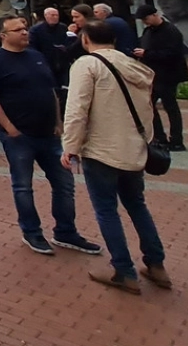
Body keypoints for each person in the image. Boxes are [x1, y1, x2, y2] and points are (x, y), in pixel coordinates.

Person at [63, 20, 170, 295]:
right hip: (133, 148)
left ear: (85, 39)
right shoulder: (134, 65)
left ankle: (124, 271)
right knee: (137, 205)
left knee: (106, 210)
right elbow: (148, 110)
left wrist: (70, 146)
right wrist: (143, 140)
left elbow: (77, 109)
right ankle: (156, 264)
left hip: (101, 150)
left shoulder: (87, 65)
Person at [0, 16, 100, 258]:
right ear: (3, 35)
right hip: (19, 136)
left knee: (64, 184)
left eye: (25, 28)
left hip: (49, 133)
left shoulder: (36, 56)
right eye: (18, 30)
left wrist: (58, 122)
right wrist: (9, 127)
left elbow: (50, 91)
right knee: (23, 186)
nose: (25, 32)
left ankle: (66, 231)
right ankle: (31, 231)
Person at [133, 5, 188, 151]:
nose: (145, 22)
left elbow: (172, 54)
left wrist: (147, 54)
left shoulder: (170, 31)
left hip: (168, 75)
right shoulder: (149, 31)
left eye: (146, 18)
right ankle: (159, 137)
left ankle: (176, 140)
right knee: (149, 105)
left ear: (155, 15)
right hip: (153, 75)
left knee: (170, 106)